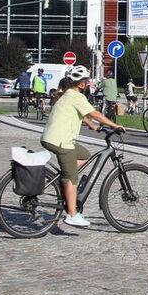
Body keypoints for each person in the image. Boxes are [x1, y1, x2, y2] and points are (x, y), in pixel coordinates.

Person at [40, 65, 124, 228]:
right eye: (86, 81)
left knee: (85, 155)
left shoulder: (68, 95)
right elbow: (94, 113)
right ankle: (72, 214)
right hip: (61, 141)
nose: (88, 84)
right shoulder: (77, 97)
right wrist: (114, 125)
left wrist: (91, 125)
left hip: (53, 138)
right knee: (72, 178)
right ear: (81, 84)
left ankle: (65, 181)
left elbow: (83, 115)